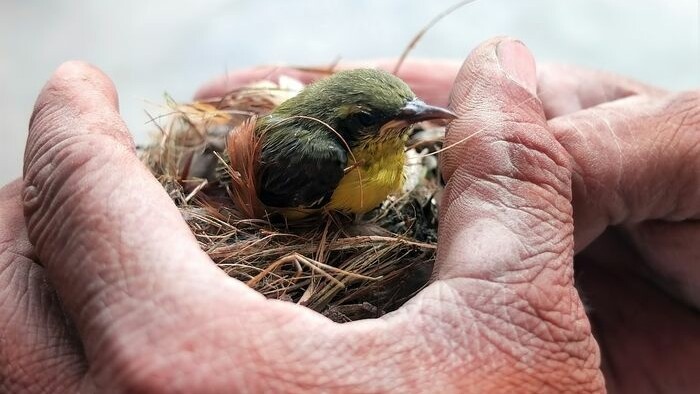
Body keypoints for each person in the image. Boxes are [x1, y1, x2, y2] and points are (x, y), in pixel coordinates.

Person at [1, 36, 698, 393]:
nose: (416, 120)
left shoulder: (396, 155)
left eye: (411, 111)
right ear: (349, 126)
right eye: (386, 117)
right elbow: (257, 205)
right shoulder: (318, 157)